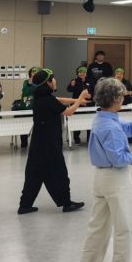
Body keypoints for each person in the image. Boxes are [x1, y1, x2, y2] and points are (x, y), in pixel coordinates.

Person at [71, 78, 132, 262]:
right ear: (116, 98)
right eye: (121, 95)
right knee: (125, 229)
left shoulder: (102, 118)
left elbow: (127, 129)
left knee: (97, 228)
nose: (124, 98)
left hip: (100, 179)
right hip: (116, 180)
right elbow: (119, 159)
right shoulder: (110, 126)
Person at [18, 68, 89, 214]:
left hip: (38, 143)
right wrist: (80, 98)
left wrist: (77, 101)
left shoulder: (41, 97)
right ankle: (66, 203)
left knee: (34, 174)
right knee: (59, 172)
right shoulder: (47, 100)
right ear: (48, 83)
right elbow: (68, 112)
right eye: (53, 78)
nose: (55, 80)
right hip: (49, 144)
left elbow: (59, 100)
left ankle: (24, 205)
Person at [67, 66, 94, 144]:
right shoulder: (74, 81)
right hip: (77, 104)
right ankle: (76, 138)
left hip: (88, 104)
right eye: (80, 72)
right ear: (77, 73)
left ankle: (89, 139)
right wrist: (71, 85)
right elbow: (69, 89)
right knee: (77, 121)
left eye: (84, 72)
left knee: (89, 121)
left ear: (86, 73)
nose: (82, 74)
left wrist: (91, 95)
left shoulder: (91, 81)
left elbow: (94, 91)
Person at [115, 68, 132, 144]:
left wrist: (129, 92)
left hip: (126, 104)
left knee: (126, 121)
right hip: (115, 105)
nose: (119, 75)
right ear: (115, 75)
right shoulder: (112, 82)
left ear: (123, 75)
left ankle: (129, 138)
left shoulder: (127, 82)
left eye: (121, 74)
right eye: (118, 74)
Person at [18, 66, 40, 149]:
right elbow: (25, 91)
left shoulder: (40, 83)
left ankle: (36, 143)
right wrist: (31, 85)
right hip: (25, 106)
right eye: (33, 72)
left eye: (37, 72)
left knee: (37, 126)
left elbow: (38, 90)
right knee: (24, 125)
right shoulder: (26, 82)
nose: (35, 73)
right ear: (30, 73)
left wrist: (33, 85)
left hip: (36, 106)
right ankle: (24, 142)